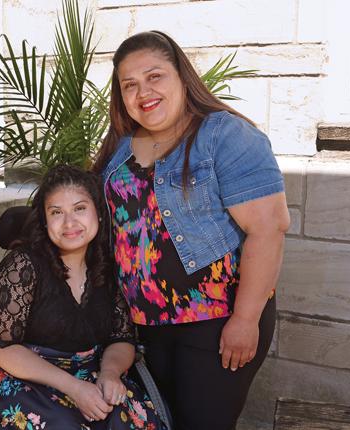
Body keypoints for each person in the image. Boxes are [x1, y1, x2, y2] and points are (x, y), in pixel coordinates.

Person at [93, 31, 290, 429]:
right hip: (144, 325)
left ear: (182, 77)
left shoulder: (223, 135)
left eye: (154, 77)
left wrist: (245, 320)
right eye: (129, 85)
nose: (142, 92)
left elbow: (269, 229)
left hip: (215, 321)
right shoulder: (121, 144)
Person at [0, 165, 166, 429]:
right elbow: (3, 349)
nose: (69, 223)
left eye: (79, 209)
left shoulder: (108, 267)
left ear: (98, 212)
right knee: (63, 424)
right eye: (56, 213)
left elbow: (121, 338)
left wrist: (110, 374)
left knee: (124, 420)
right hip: (24, 375)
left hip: (90, 372)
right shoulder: (23, 267)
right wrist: (75, 389)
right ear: (44, 220)